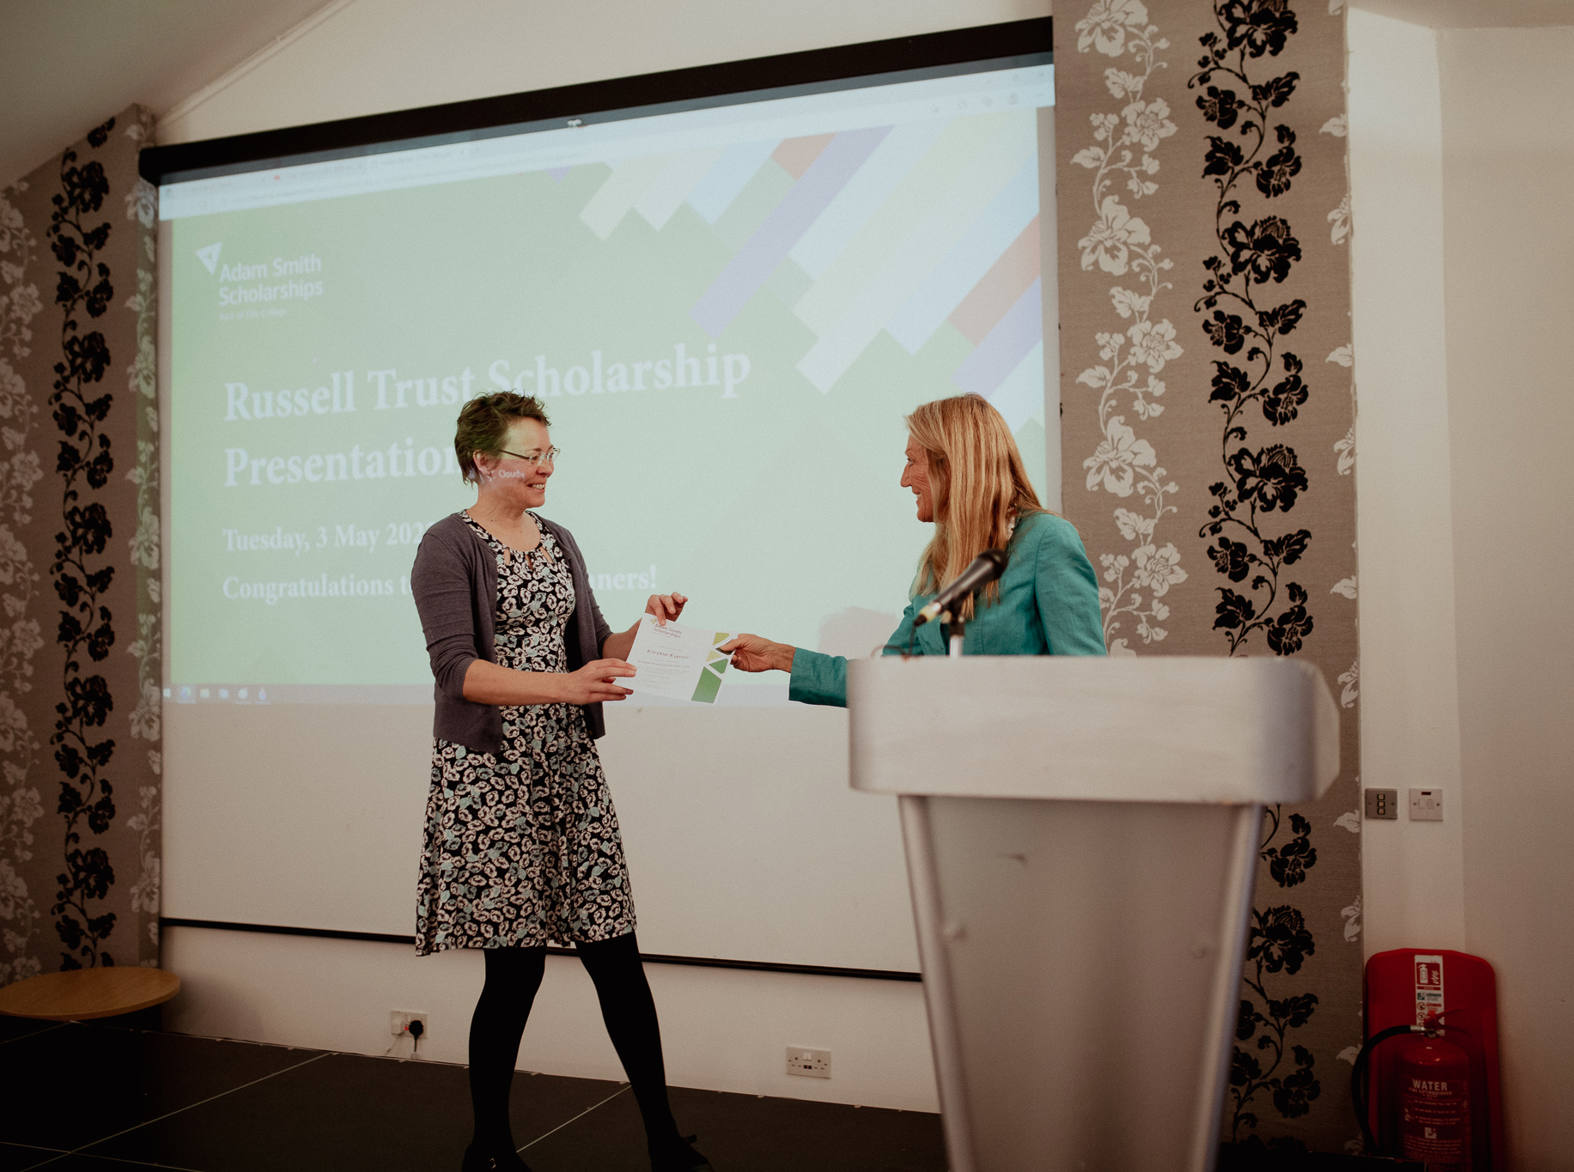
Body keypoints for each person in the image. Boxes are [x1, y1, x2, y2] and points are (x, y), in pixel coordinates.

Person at [410, 391, 711, 1172]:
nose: (545, 466)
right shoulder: (446, 545)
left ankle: (663, 1139)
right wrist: (565, 686)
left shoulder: (560, 539)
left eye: (551, 453)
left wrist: (652, 627)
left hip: (570, 770)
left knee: (618, 956)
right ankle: (491, 1147)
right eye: (530, 454)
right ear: (482, 460)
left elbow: (593, 642)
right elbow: (458, 673)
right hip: (494, 777)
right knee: (515, 972)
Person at [722, 393, 1105, 698]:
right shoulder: (935, 564)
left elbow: (1091, 684)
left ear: (951, 465)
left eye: (911, 462)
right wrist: (780, 656)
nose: (904, 480)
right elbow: (889, 679)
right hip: (943, 771)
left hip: (1026, 775)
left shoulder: (1046, 540)